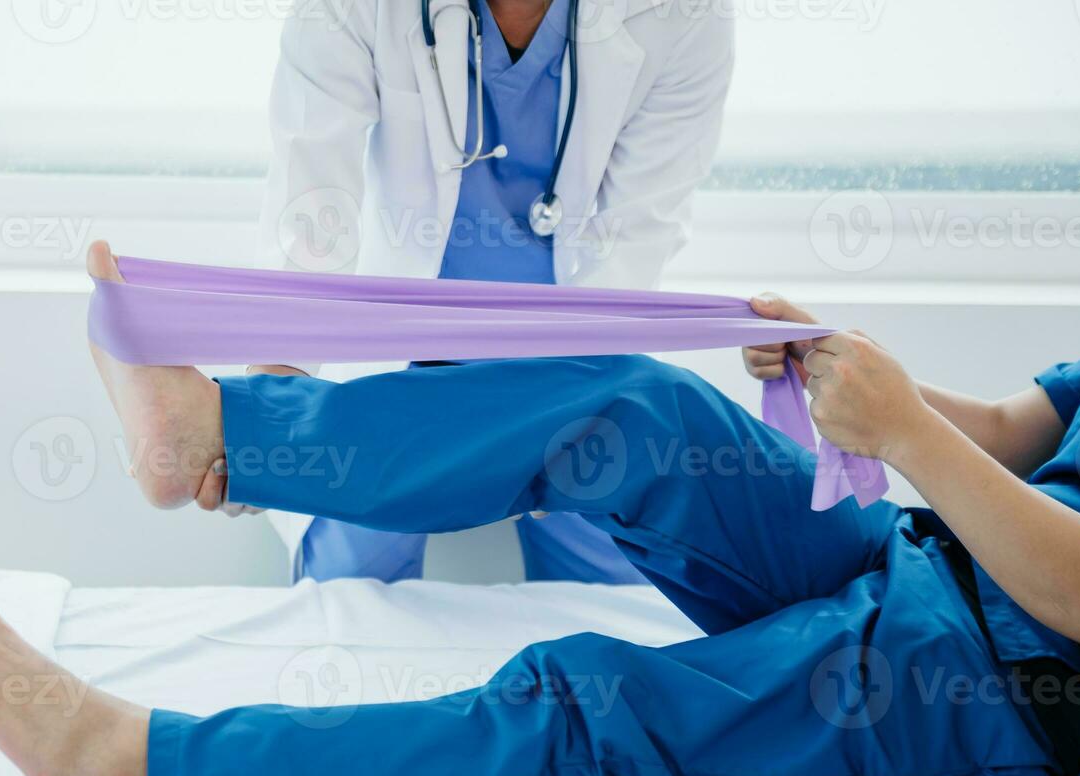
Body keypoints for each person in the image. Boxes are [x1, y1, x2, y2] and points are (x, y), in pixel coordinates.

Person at [0, 243, 1080, 776]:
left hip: (1010, 698)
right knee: (632, 409)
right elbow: (1025, 433)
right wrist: (861, 379)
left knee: (595, 709)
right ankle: (218, 434)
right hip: (934, 557)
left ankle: (137, 761)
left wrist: (904, 431)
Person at [231, 0, 735, 585]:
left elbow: (640, 227)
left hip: (572, 362)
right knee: (350, 586)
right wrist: (274, 399)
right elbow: (313, 197)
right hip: (399, 352)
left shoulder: (684, 13)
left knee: (619, 595)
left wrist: (584, 402)